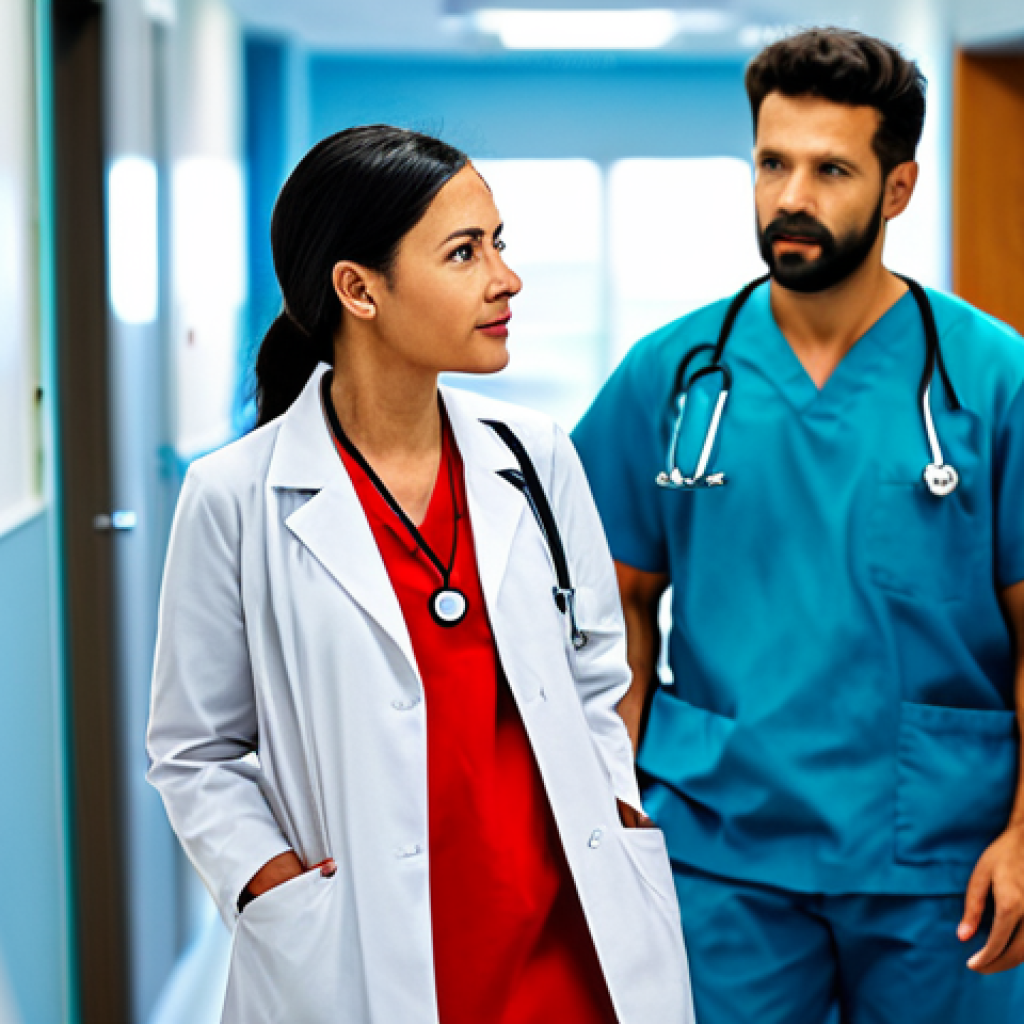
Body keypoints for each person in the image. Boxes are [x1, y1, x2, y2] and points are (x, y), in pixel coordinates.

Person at [146, 125, 692, 1024]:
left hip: (565, 934)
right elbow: (193, 749)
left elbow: (596, 673)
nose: (506, 278)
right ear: (359, 289)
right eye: (465, 252)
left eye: (499, 243)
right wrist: (268, 880)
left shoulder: (536, 457)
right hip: (365, 950)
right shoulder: (234, 496)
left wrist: (616, 803)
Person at [572, 27, 1024, 1024]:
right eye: (772, 163)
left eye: (830, 170)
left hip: (939, 855)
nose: (791, 197)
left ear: (897, 188)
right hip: (719, 846)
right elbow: (612, 610)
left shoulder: (994, 379)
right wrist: (609, 809)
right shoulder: (675, 374)